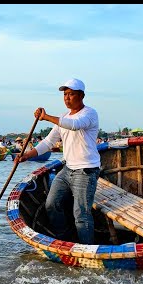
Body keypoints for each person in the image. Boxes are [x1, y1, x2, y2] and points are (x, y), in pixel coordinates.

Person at [16, 78, 100, 245]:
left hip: (86, 170)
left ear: (82, 95)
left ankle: (87, 248)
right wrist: (27, 155)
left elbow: (75, 125)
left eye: (71, 94)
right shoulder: (63, 117)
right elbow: (48, 142)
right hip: (68, 169)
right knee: (51, 205)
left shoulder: (89, 113)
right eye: (65, 95)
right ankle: (65, 238)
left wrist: (46, 117)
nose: (67, 98)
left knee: (81, 214)